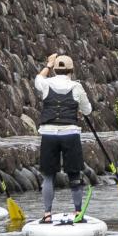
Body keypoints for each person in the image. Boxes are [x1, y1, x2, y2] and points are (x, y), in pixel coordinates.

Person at [35, 52, 93, 224]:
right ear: (71, 70)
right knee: (74, 175)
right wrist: (80, 108)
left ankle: (47, 215)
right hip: (70, 134)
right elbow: (88, 110)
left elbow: (38, 78)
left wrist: (48, 64)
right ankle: (77, 213)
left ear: (55, 70)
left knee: (48, 176)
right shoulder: (77, 87)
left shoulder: (45, 84)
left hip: (48, 134)